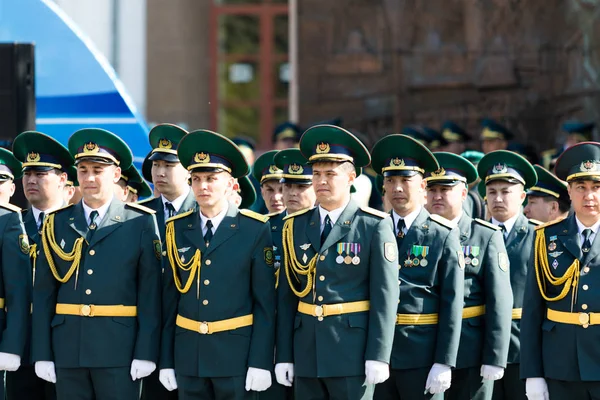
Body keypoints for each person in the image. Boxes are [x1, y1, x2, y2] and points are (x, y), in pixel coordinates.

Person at [32, 128, 162, 400]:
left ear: (115, 175)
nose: (89, 178)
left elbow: (150, 294)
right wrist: (42, 353)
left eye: (97, 171)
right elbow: (44, 293)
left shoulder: (138, 221)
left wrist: (146, 352)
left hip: (119, 350)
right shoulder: (57, 221)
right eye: (83, 170)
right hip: (68, 349)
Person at [274, 125, 398, 400]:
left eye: (330, 174)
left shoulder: (373, 225)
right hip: (307, 350)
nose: (322, 181)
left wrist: (379, 355)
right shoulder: (294, 225)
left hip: (351, 351)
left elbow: (385, 296)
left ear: (351, 176)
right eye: (317, 174)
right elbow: (286, 297)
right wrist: (284, 354)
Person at [158, 129, 276, 400]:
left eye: (211, 179)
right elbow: (169, 301)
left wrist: (260, 360)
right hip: (189, 356)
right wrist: (166, 359)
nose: (203, 187)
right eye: (196, 179)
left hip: (235, 356)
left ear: (231, 184)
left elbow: (265, 305)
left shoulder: (254, 229)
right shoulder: (176, 228)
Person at [370, 134, 464, 400]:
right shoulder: (372, 228)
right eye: (391, 181)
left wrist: (444, 360)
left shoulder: (442, 233)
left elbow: (452, 302)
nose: (397, 188)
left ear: (423, 185)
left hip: (422, 353)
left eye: (405, 180)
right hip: (378, 354)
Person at [424, 152, 512, 400]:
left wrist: (495, 356)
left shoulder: (484, 235)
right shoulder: (419, 236)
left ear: (463, 194)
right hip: (424, 349)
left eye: (445, 189)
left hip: (470, 350)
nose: (437, 196)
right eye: (432, 189)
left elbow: (499, 300)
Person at [521, 141, 600, 400]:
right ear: (569, 191)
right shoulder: (546, 237)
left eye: (597, 187)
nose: (589, 196)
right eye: (581, 187)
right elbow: (533, 308)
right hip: (560, 365)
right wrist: (533, 373)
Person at [10, 130, 76, 400]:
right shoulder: (11, 226)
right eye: (27, 174)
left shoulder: (78, 227)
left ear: (62, 179)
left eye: (40, 174)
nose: (31, 181)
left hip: (66, 346)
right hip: (20, 347)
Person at [137, 123, 196, 400]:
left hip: (192, 328)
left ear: (189, 171)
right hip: (146, 329)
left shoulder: (205, 212)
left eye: (169, 165)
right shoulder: (140, 215)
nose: (159, 172)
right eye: (156, 164)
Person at [476, 150, 538, 400]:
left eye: (506, 192)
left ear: (523, 196)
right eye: (492, 192)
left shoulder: (539, 237)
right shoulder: (472, 235)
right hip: (479, 344)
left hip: (521, 346)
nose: (498, 198)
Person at [0, 148, 34, 399]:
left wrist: (12, 347)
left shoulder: (10, 220)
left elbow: (19, 292)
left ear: (13, 188)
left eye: (0, 181)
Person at [253, 150, 285, 215]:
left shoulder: (303, 224)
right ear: (262, 193)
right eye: (270, 190)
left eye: (282, 190)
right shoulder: (255, 225)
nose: (276, 198)